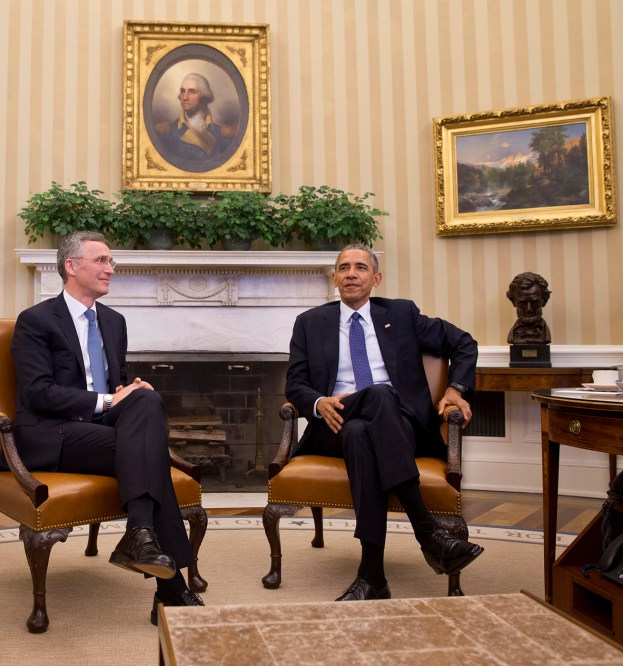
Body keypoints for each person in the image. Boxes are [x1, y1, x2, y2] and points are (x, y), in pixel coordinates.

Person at [10, 230, 203, 623]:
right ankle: (170, 588)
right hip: (54, 432)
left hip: (103, 429)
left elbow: (117, 381)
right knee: (148, 455)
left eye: (111, 261)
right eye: (101, 260)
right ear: (71, 266)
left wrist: (128, 389)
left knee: (146, 398)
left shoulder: (114, 322)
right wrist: (109, 400)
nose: (110, 269)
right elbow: (36, 393)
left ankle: (141, 536)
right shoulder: (35, 321)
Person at [284, 244, 484, 601]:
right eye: (343, 267)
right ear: (334, 278)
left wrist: (456, 389)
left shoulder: (402, 314)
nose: (351, 273)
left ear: (375, 278)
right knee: (367, 408)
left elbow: (464, 343)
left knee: (370, 414)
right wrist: (318, 402)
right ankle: (429, 533)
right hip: (334, 424)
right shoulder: (310, 323)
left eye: (360, 267)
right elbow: (294, 383)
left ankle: (372, 575)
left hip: (399, 425)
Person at [154, 73, 236, 167]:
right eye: (182, 91)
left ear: (204, 97)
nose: (184, 97)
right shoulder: (166, 132)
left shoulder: (225, 133)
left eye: (192, 92)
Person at [506, 272, 551, 345]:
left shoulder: (545, 334)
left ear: (544, 301)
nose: (529, 309)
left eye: (534, 302)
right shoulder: (513, 335)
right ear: (514, 302)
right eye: (523, 303)